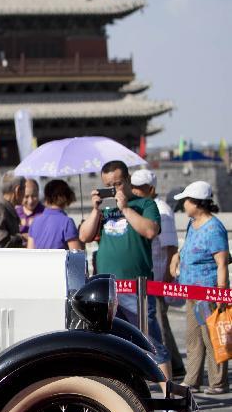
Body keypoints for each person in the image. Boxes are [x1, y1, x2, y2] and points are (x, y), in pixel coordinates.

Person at [79, 160, 171, 378]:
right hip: (106, 288)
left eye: (118, 184)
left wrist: (125, 208)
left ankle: (170, 397)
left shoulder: (145, 204)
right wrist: (95, 210)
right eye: (108, 185)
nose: (114, 189)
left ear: (128, 180)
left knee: (151, 342)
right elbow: (84, 236)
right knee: (112, 343)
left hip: (136, 287)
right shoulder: (104, 209)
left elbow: (150, 231)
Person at [169, 181, 229, 394]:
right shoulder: (192, 224)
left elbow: (222, 263)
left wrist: (221, 293)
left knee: (211, 336)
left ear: (196, 203)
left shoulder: (214, 228)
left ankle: (217, 383)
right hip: (191, 293)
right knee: (193, 336)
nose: (183, 205)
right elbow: (187, 248)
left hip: (207, 293)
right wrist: (177, 257)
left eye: (186, 201)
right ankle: (192, 379)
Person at [130, 168, 184, 376]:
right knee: (158, 327)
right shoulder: (141, 207)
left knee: (158, 329)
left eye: (140, 188)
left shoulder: (161, 210)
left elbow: (171, 248)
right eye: (133, 186)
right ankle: (175, 365)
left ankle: (171, 368)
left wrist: (167, 281)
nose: (135, 190)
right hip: (148, 279)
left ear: (150, 189)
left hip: (157, 278)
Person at [27, 179, 82, 250]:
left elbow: (30, 251)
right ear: (65, 197)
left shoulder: (35, 221)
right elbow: (76, 258)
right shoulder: (67, 222)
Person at [0, 173, 26, 248]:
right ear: (17, 190)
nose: (25, 194)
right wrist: (21, 237)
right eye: (24, 189)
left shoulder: (7, 209)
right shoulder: (0, 211)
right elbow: (0, 244)